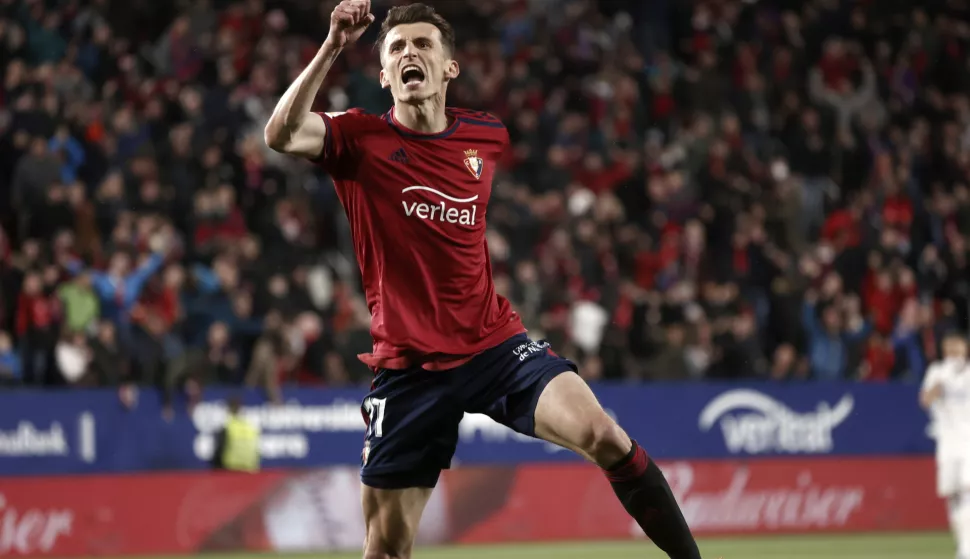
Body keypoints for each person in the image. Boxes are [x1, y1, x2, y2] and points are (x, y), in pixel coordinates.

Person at [264, 2, 702, 558]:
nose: (409, 54)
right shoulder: (358, 139)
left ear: (450, 68)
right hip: (409, 367)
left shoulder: (486, 137)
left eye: (423, 44)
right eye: (396, 48)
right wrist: (332, 46)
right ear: (383, 76)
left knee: (606, 436)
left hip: (494, 345)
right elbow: (279, 134)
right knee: (387, 548)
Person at [920, 333, 970, 559]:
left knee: (968, 491)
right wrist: (939, 388)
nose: (954, 354)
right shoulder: (937, 372)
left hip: (968, 442)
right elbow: (924, 400)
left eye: (957, 349)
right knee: (952, 495)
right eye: (950, 350)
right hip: (947, 444)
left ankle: (966, 548)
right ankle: (962, 543)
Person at [211, 396, 261, 473]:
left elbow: (219, 450)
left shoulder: (227, 425)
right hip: (251, 469)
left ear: (229, 409)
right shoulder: (251, 426)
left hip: (231, 468)